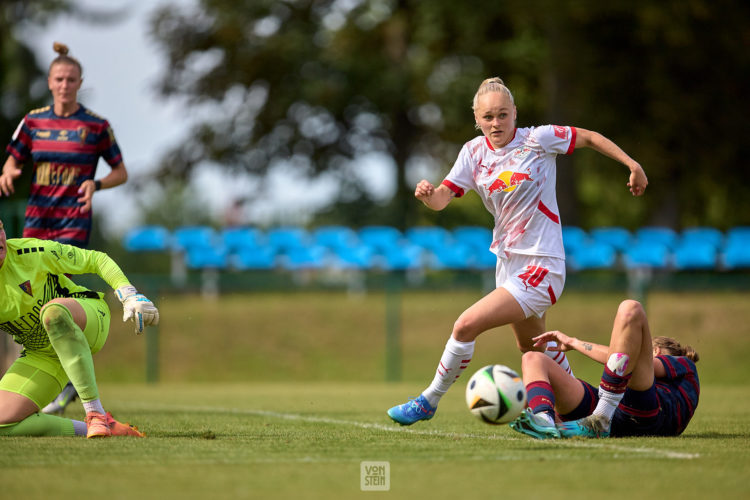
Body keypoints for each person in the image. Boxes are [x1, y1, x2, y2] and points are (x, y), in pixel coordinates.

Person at [387, 77, 648, 425]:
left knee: (465, 325)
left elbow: (589, 137)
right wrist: (427, 193)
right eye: (488, 117)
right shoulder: (473, 153)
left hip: (542, 265)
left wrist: (633, 164)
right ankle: (582, 406)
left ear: (515, 115)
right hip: (509, 265)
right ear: (477, 120)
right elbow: (442, 198)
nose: (496, 123)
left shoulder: (537, 139)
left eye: (502, 115)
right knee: (534, 347)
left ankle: (429, 400)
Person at [0, 42, 129, 414]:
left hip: (73, 222)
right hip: (37, 222)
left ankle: (70, 381)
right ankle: (33, 369)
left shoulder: (96, 126)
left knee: (60, 299)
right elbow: (11, 162)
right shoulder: (34, 122)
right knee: (25, 296)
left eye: (71, 79)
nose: (64, 84)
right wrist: (9, 171)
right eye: (59, 78)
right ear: (50, 81)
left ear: (80, 82)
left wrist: (98, 184)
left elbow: (121, 172)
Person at [0, 218, 158, 437]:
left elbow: (96, 260)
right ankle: (109, 429)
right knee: (2, 422)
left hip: (88, 319)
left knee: (53, 313)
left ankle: (95, 414)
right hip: (42, 354)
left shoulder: (30, 251)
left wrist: (128, 294)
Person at [509, 299, 700, 439]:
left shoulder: (685, 365)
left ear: (655, 350)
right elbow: (621, 359)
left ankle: (601, 418)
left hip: (646, 414)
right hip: (619, 412)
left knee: (631, 308)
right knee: (533, 358)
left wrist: (575, 342)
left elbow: (631, 361)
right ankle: (545, 421)